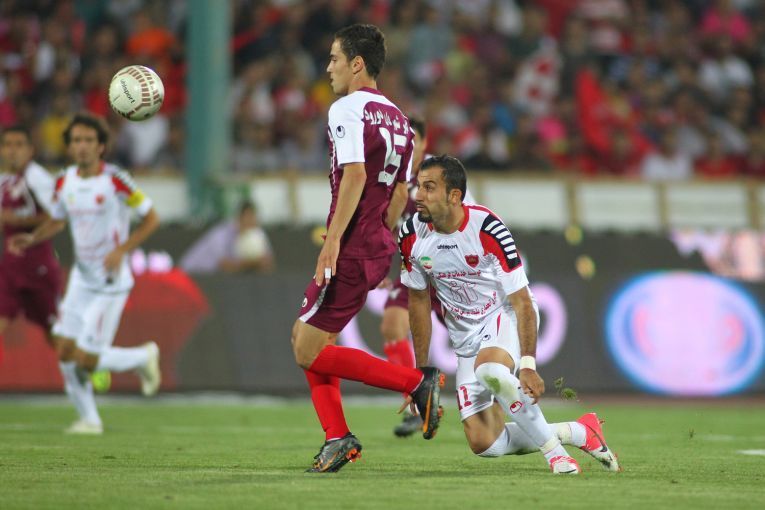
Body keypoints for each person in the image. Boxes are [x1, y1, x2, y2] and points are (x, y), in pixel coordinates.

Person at [400, 155, 620, 474]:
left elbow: (522, 300)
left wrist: (528, 365)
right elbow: (418, 301)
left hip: (503, 315)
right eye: (419, 186)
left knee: (490, 370)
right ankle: (579, 432)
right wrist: (421, 374)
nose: (418, 195)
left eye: (429, 187)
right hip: (464, 338)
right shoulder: (410, 235)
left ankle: (557, 456)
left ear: (454, 196)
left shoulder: (488, 228)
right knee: (485, 443)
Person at [291, 24, 444, 473]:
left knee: (306, 348)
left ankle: (415, 382)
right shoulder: (399, 119)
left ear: (357, 64)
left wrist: (335, 241)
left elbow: (355, 175)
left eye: (335, 59)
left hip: (352, 243)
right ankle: (337, 436)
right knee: (308, 336)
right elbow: (399, 193)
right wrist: (380, 242)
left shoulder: (347, 108)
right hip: (375, 243)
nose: (329, 68)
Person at [9, 113, 161, 435]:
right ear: (69, 146)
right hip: (81, 279)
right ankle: (90, 420)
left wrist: (122, 250)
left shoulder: (117, 180)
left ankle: (142, 357)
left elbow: (151, 218)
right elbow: (58, 219)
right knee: (64, 350)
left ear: (101, 146)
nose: (82, 146)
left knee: (88, 360)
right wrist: (33, 238)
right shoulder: (64, 181)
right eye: (76, 140)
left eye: (88, 140)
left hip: (110, 283)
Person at [0, 126, 63, 362]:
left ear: (30, 150)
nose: (12, 151)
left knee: (55, 336)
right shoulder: (4, 181)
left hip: (38, 267)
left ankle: (89, 369)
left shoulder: (37, 177)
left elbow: (57, 216)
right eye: (8, 145)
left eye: (19, 145)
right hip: (10, 267)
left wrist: (19, 221)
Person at [180, 201, 274, 274]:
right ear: (239, 218)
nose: (250, 222)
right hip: (191, 273)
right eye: (247, 218)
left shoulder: (258, 234)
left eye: (253, 218)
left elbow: (268, 262)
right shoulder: (221, 234)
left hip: (214, 278)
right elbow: (224, 265)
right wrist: (253, 264)